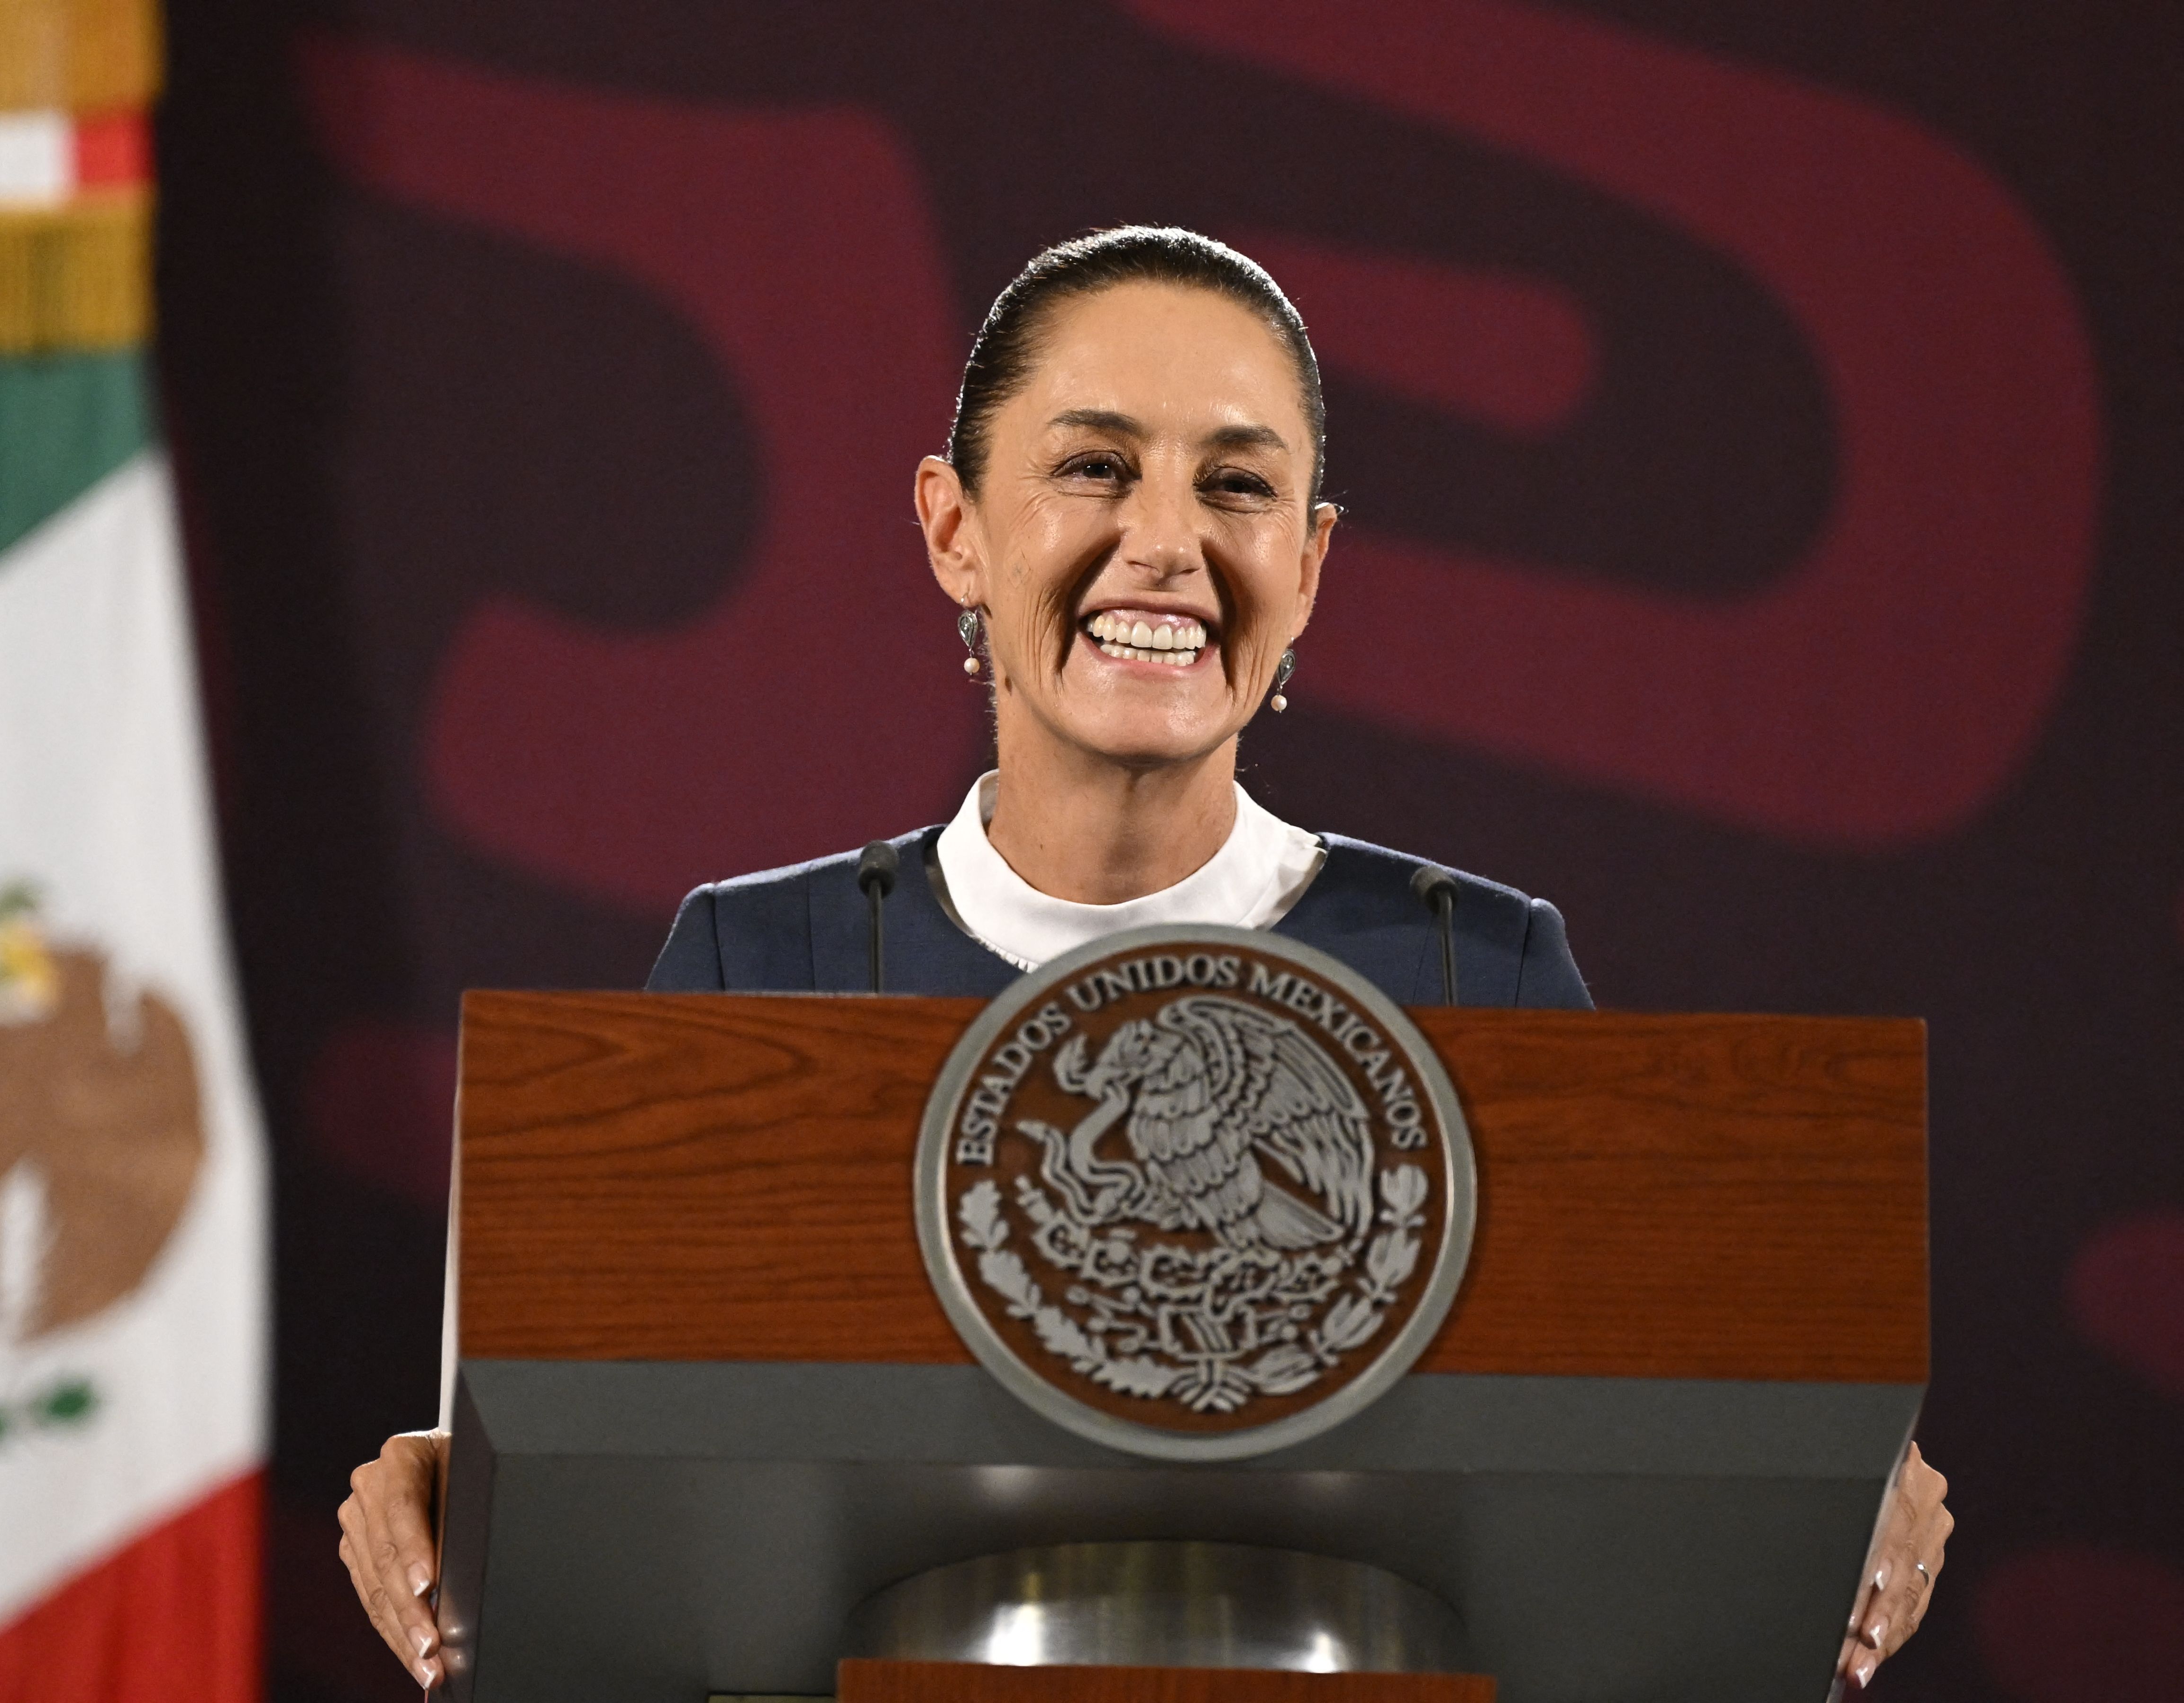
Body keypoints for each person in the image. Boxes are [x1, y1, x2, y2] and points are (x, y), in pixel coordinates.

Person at [336, 227, 1951, 1691]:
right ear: (955, 531)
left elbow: (1647, 1454)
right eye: (1095, 469)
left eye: (1238, 488)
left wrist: (1831, 1465)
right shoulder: (759, 968)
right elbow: (627, 1498)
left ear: (1310, 567)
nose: (1167, 544)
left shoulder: (1479, 975)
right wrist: (476, 1489)